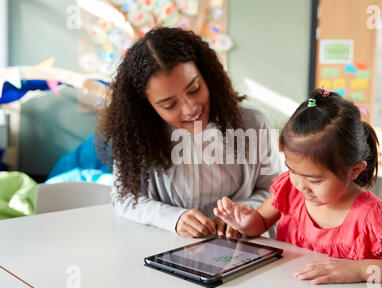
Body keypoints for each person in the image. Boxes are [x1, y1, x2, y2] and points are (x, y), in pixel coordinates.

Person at [214, 88, 382, 285]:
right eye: (292, 170)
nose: (301, 185)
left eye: (315, 180)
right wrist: (246, 222)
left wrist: (359, 270)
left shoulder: (371, 216)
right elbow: (261, 223)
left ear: (354, 170)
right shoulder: (290, 189)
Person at [96, 27, 282, 239]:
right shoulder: (139, 135)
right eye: (169, 104)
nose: (191, 108)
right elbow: (125, 198)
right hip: (174, 246)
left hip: (243, 243)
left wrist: (241, 212)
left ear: (207, 77)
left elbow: (275, 190)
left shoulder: (253, 123)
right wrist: (174, 218)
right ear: (148, 108)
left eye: (194, 89)